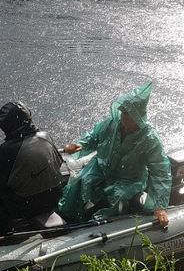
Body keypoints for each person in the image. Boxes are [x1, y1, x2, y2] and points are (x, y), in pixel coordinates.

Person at [58, 82, 171, 227]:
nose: (123, 117)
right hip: (102, 167)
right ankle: (70, 218)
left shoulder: (149, 139)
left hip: (129, 179)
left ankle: (100, 225)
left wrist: (160, 206)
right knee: (80, 181)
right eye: (123, 112)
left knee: (118, 197)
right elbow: (93, 136)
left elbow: (160, 172)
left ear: (137, 117)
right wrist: (80, 144)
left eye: (127, 114)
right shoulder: (112, 124)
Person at [0, 101, 64, 234]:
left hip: (26, 206)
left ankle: (1, 222)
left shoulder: (8, 149)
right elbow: (59, 162)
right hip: (55, 196)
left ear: (10, 125)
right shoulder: (46, 137)